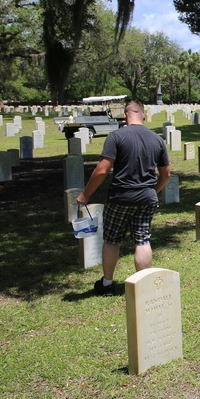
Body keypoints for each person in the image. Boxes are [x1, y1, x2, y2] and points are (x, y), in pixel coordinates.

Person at [77, 100, 171, 296]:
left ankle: (108, 284)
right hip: (147, 197)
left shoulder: (116, 136)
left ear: (125, 116)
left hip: (121, 196)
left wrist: (86, 194)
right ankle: (144, 285)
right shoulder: (157, 139)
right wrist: (154, 190)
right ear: (143, 116)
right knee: (142, 240)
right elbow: (166, 174)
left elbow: (102, 170)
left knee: (111, 239)